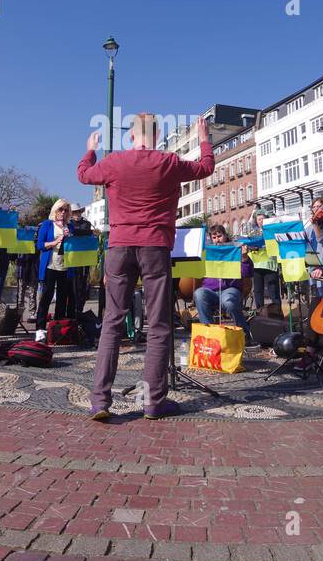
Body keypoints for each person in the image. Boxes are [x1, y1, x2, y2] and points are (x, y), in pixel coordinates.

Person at [77, 113, 214, 421]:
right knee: (159, 324)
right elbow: (206, 168)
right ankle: (154, 401)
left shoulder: (115, 162)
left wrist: (90, 150)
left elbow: (84, 175)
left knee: (112, 321)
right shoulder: (169, 161)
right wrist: (204, 138)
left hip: (120, 246)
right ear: (157, 136)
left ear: (130, 137)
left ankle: (100, 401)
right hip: (155, 246)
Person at [192, 225, 253, 345]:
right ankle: (209, 334)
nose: (217, 239)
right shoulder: (207, 251)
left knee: (229, 303)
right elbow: (197, 271)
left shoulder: (234, 250)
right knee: (198, 294)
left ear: (225, 236)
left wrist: (244, 257)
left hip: (230, 289)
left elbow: (247, 273)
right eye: (214, 237)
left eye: (219, 236)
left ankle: (244, 334)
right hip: (211, 291)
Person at [34, 199, 74, 337]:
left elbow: (74, 246)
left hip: (65, 267)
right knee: (46, 297)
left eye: (65, 210)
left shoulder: (70, 226)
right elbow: (39, 245)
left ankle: (57, 327)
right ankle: (40, 328)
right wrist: (55, 242)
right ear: (55, 210)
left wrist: (71, 238)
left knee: (62, 299)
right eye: (60, 209)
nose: (63, 212)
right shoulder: (47, 224)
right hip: (50, 266)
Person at [248, 210, 281, 317]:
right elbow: (249, 246)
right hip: (257, 265)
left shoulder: (272, 231)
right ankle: (260, 314)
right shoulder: (253, 233)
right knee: (258, 291)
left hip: (270, 264)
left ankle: (277, 314)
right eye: (259, 219)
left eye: (263, 219)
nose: (261, 221)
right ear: (256, 221)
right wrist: (251, 247)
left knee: (273, 291)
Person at [67, 203, 94, 318]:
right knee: (71, 285)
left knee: (82, 285)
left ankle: (79, 309)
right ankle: (72, 310)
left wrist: (73, 233)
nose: (76, 214)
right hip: (71, 259)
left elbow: (85, 232)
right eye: (74, 212)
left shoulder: (86, 223)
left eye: (78, 212)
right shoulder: (68, 224)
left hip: (83, 259)